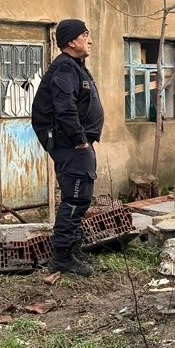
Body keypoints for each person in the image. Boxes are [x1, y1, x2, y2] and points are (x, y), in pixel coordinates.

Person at [30, 19, 104, 276]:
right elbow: (65, 108)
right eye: (85, 35)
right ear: (72, 41)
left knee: (81, 197)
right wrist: (79, 139)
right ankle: (62, 257)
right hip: (71, 145)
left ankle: (73, 250)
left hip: (77, 144)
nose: (90, 40)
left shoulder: (75, 67)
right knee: (75, 198)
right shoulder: (64, 68)